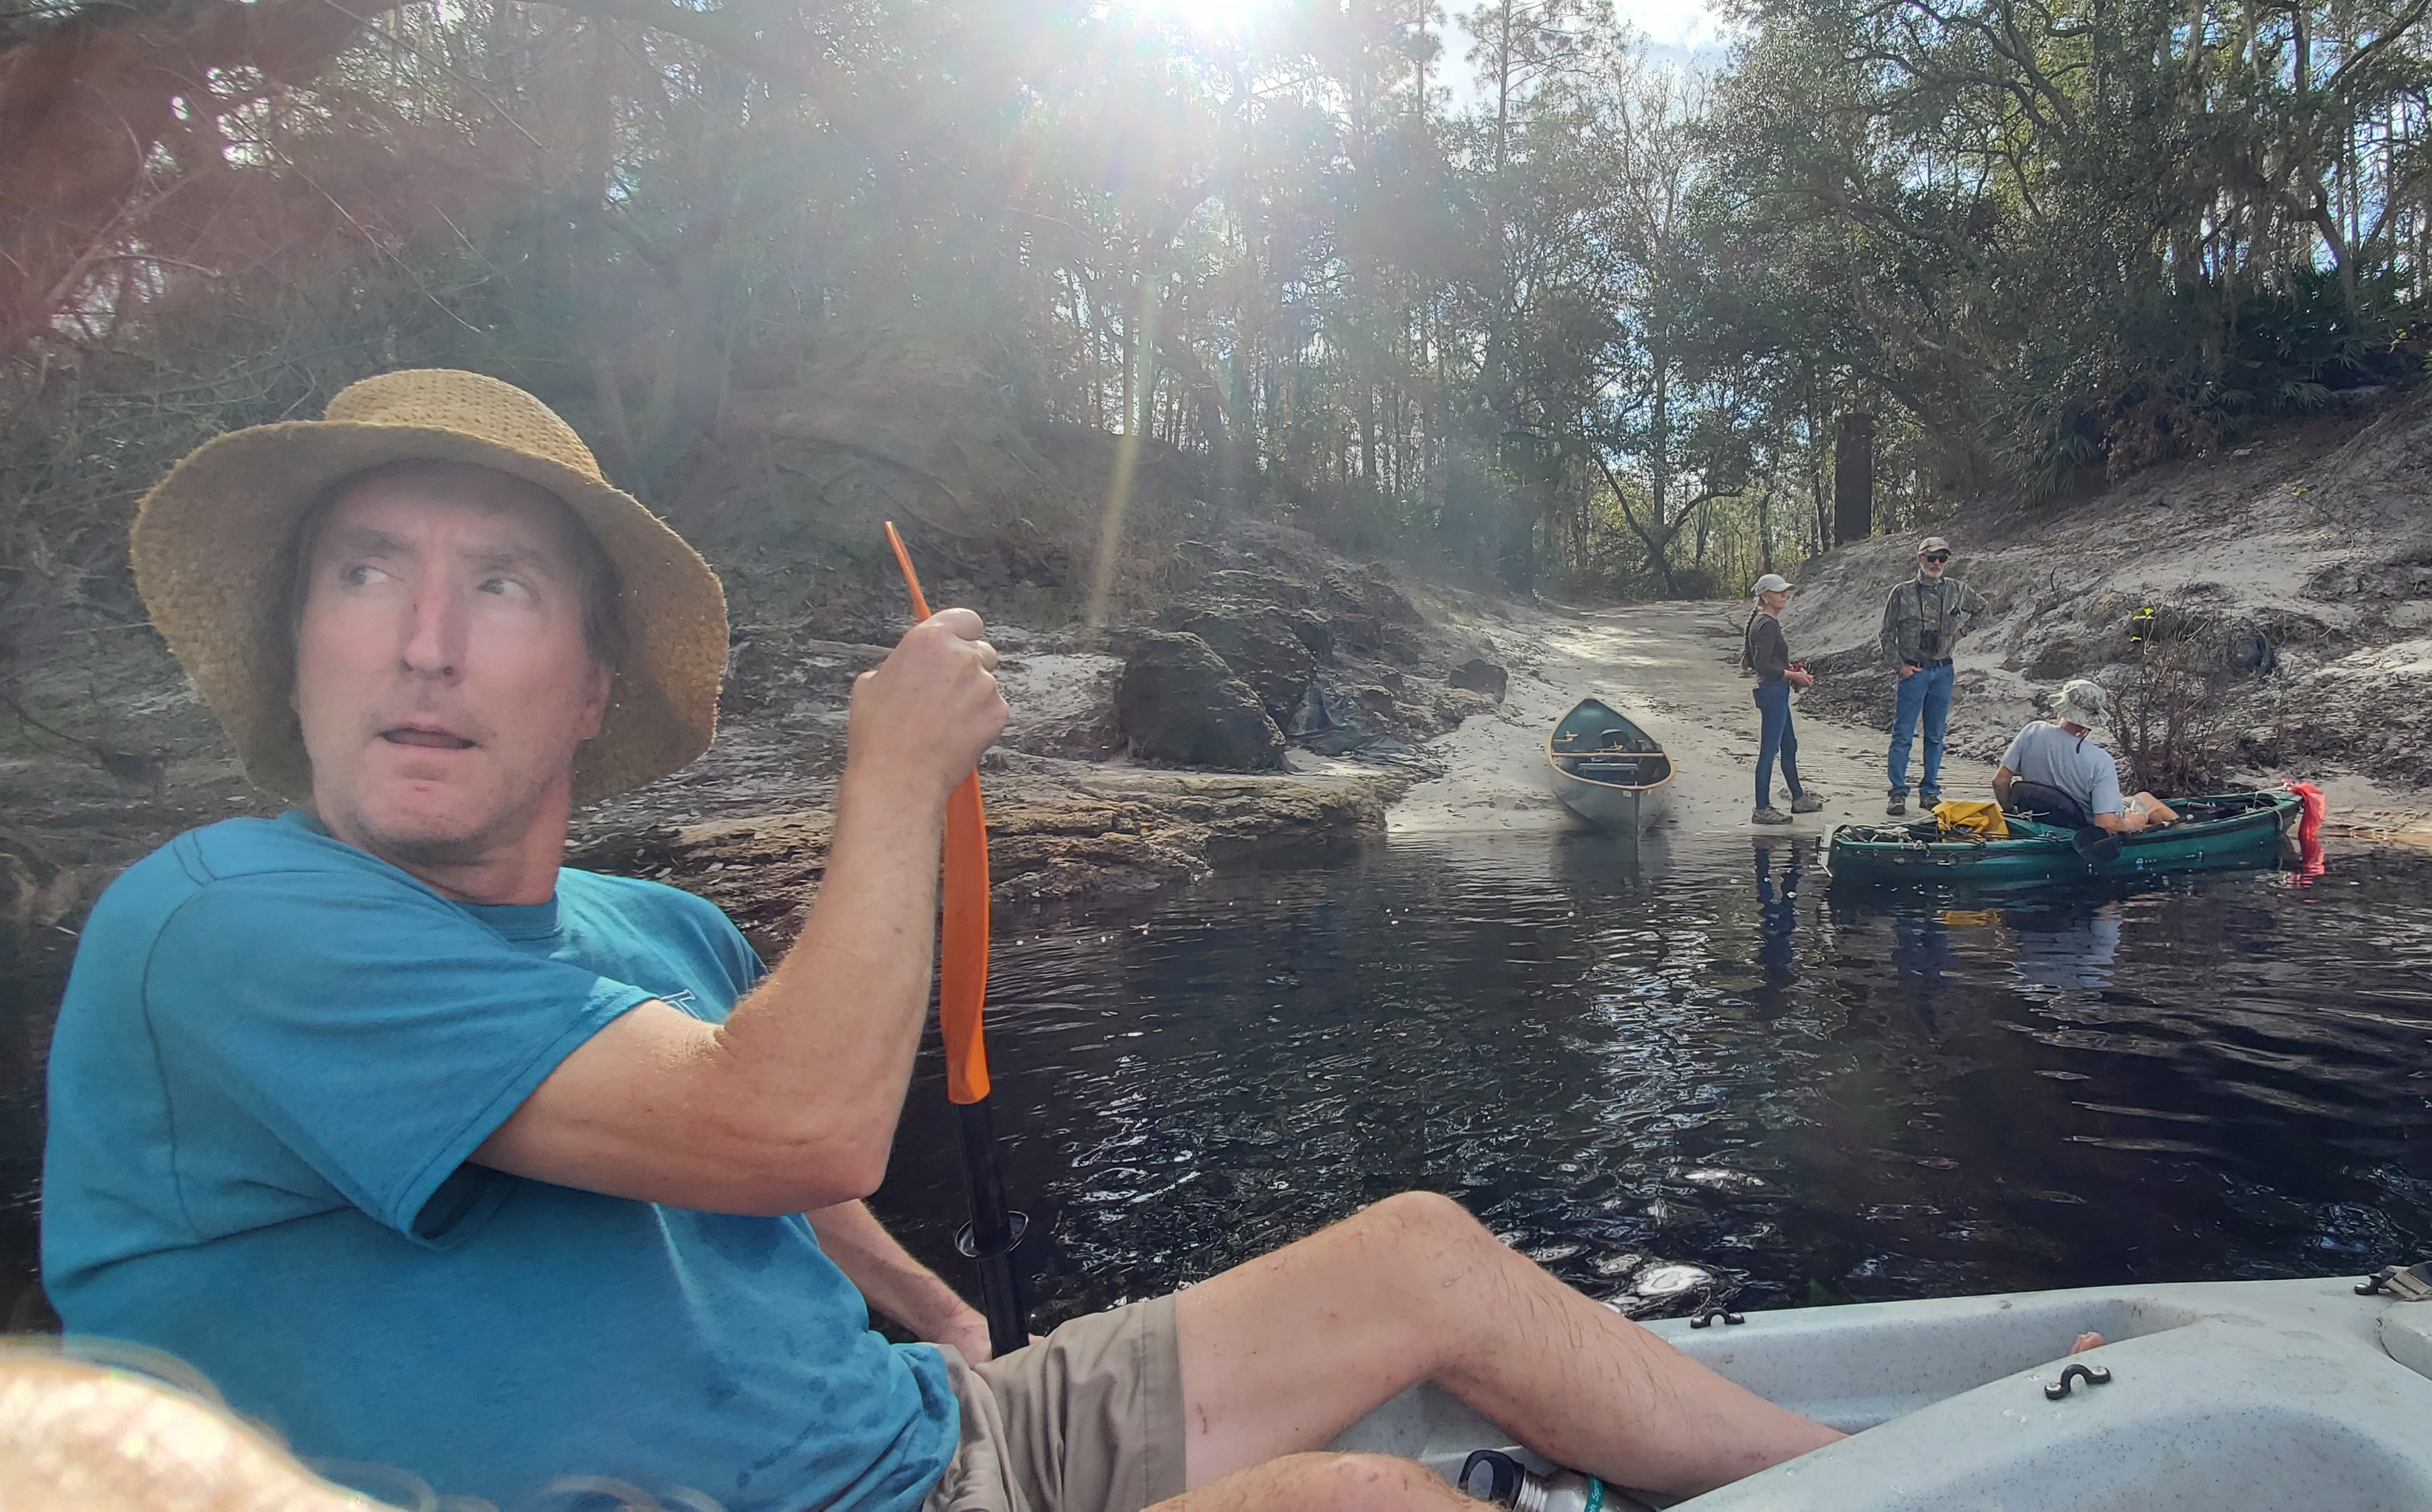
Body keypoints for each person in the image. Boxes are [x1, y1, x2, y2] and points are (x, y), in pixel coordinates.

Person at [41, 370, 1844, 1512]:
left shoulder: (647, 926)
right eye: (367, 571)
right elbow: (794, 1126)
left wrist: (924, 1297)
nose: (427, 639)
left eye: (498, 582)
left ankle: (1899, 1487)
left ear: (591, 684)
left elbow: (780, 1189)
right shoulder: (216, 928)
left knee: (1430, 1256)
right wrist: (894, 778)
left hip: (936, 1436)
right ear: (298, 650)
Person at [1878, 536, 1985, 816]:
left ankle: (1930, 791)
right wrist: (1898, 665)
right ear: (1920, 559)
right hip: (1914, 671)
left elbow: (1983, 608)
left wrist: (1962, 633)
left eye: (1942, 558)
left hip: (1943, 670)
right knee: (1903, 734)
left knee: (1936, 735)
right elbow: (1886, 633)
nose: (1937, 563)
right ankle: (1898, 793)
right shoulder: (1901, 593)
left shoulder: (1957, 590)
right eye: (1931, 558)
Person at [1991, 680, 2179, 837]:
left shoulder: (2032, 731)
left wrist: (2011, 812)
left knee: (2120, 797)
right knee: (2145, 799)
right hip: (2081, 826)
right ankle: (2184, 832)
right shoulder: (2100, 761)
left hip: (2041, 815)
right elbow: (2106, 824)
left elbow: (2000, 782)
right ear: (2088, 724)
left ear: (2062, 709)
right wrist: (2131, 823)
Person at [1740, 573, 1821, 826]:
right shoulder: (1766, 624)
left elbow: (1759, 662)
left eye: (1785, 591)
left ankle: (1798, 798)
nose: (1784, 595)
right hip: (1773, 691)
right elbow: (1763, 665)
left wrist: (1791, 676)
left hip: (1776, 690)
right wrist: (1793, 674)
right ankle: (1762, 808)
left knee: (1789, 745)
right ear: (1765, 596)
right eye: (1779, 592)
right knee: (1769, 751)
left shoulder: (1764, 622)